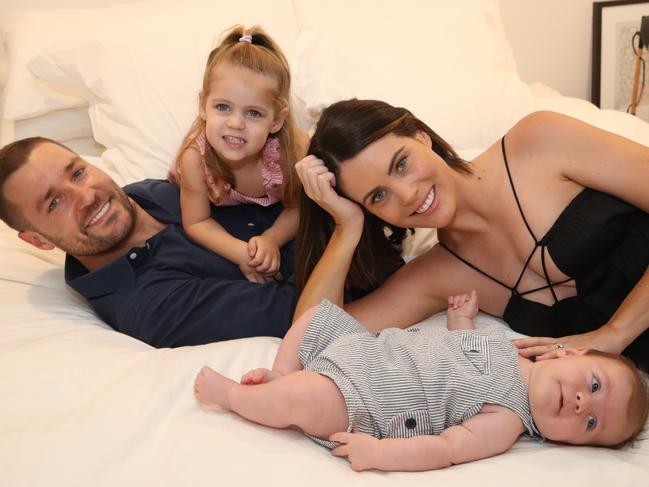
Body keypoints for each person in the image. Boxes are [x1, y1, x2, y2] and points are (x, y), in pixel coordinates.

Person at [293, 99, 649, 371]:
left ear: (422, 136)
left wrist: (614, 333)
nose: (406, 194)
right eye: (378, 196)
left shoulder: (537, 142)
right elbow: (309, 342)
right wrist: (346, 227)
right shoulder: (438, 277)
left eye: (401, 163)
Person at [194, 291, 649, 472]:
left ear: (571, 445)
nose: (579, 405)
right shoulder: (505, 344)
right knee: (317, 315)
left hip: (369, 397)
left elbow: (446, 449)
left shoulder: (507, 421)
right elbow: (465, 350)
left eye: (591, 425)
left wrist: (380, 454)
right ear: (565, 351)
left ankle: (233, 396)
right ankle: (283, 373)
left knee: (304, 400)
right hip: (369, 349)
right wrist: (460, 319)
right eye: (593, 386)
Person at [0, 137, 298, 347]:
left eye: (78, 172)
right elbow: (303, 313)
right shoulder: (147, 305)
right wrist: (345, 228)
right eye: (54, 203)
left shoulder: (142, 194)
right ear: (37, 241)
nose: (88, 196)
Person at [168, 25, 308, 284]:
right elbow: (197, 221)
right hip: (203, 192)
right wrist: (242, 254)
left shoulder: (290, 152)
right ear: (202, 106)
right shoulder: (195, 160)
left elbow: (299, 206)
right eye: (222, 107)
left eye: (253, 113)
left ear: (277, 120)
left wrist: (271, 239)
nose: (235, 123)